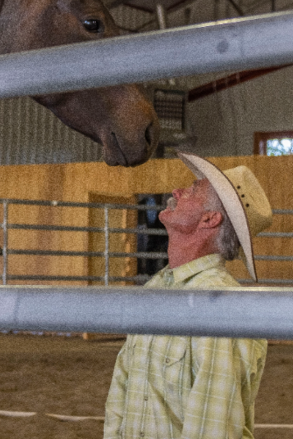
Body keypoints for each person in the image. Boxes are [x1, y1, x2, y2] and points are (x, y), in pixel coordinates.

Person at [103, 152, 273, 439]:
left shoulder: (223, 308)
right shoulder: (156, 288)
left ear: (210, 218)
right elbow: (121, 389)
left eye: (193, 190)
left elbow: (213, 429)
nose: (176, 191)